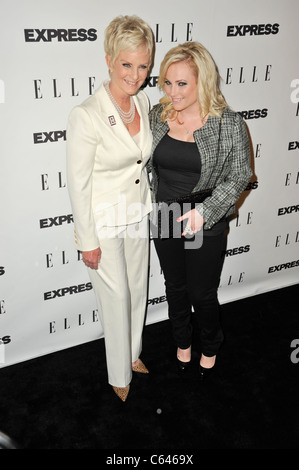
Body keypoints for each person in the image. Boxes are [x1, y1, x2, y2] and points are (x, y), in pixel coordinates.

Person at [148, 42, 252, 379]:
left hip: (202, 221)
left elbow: (240, 176)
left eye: (182, 84)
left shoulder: (228, 123)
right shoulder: (158, 115)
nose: (172, 92)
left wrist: (205, 213)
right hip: (165, 217)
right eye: (167, 82)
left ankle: (211, 344)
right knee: (175, 286)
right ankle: (182, 340)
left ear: (202, 81)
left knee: (201, 292)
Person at [66, 15, 155, 401]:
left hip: (138, 214)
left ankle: (132, 353)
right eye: (126, 64)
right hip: (103, 222)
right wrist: (87, 239)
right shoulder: (85, 115)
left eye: (143, 66)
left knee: (137, 290)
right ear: (108, 60)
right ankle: (118, 374)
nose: (135, 75)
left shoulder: (144, 101)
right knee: (116, 299)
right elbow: (78, 183)